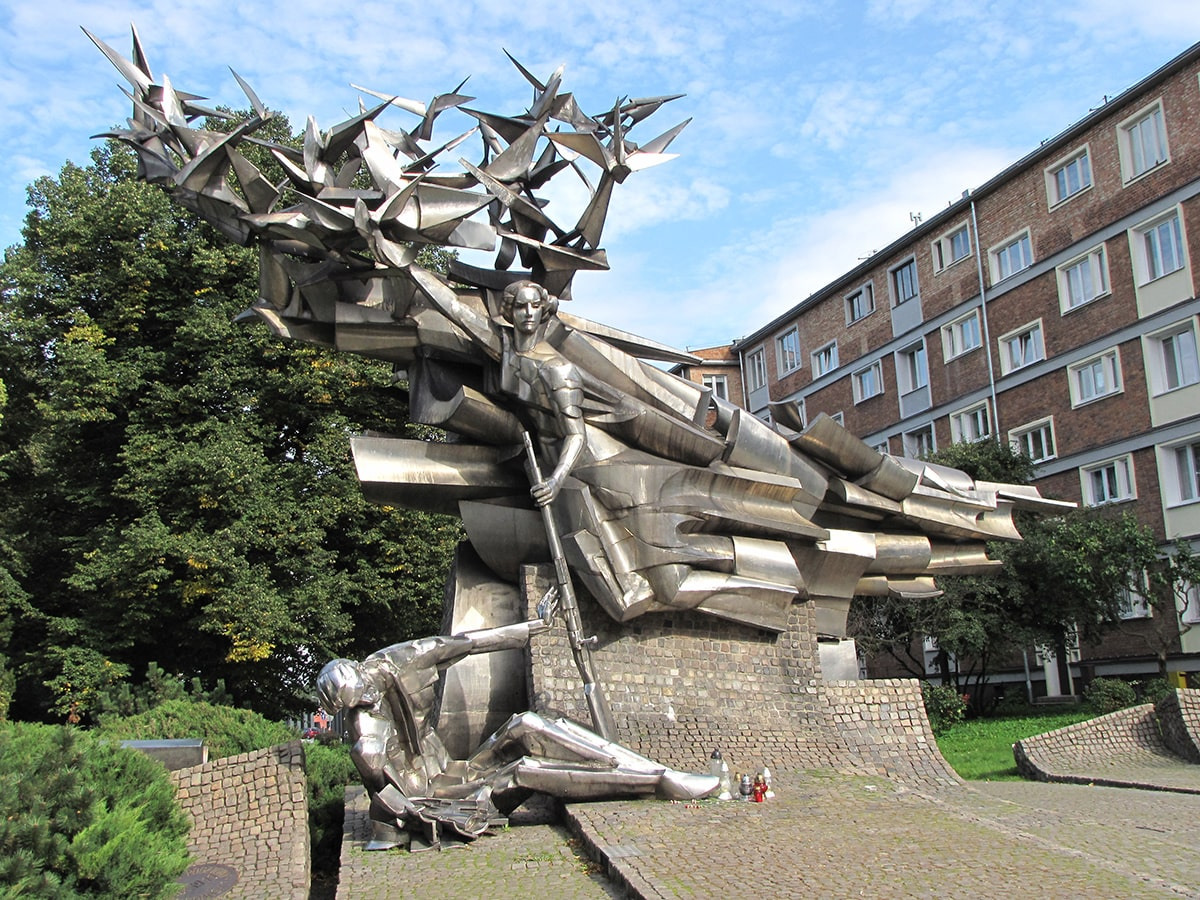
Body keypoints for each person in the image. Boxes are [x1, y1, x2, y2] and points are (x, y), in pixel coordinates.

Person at [317, 594, 718, 850]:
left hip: (455, 771)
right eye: (359, 704)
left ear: (364, 670)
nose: (367, 703)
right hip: (441, 795)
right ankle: (658, 782)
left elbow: (473, 641)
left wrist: (536, 627)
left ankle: (648, 768)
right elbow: (393, 806)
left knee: (526, 722)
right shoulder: (366, 741)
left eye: (367, 691)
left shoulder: (401, 659)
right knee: (524, 769)